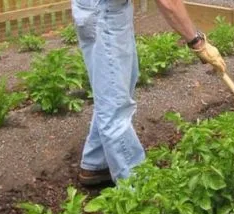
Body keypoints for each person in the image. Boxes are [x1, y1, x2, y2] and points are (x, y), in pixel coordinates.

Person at [71, 0, 226, 186]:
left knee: (114, 89)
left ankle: (96, 164)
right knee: (115, 104)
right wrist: (197, 42)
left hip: (102, 7)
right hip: (104, 13)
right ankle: (139, 190)